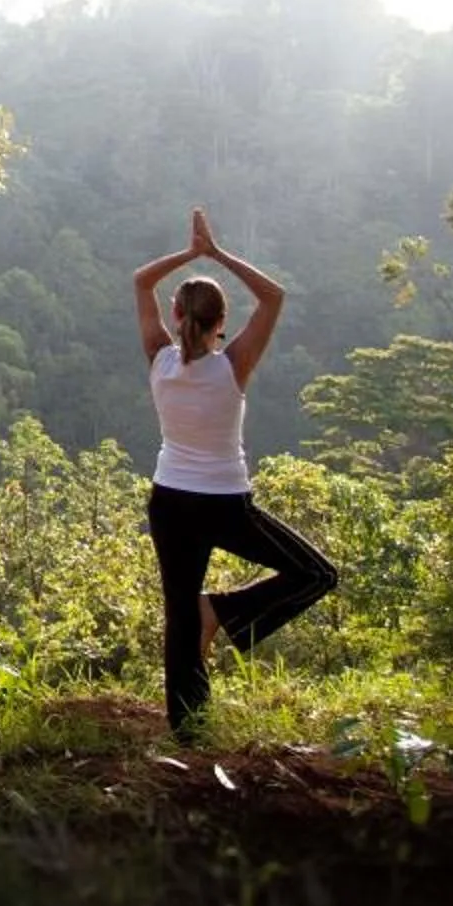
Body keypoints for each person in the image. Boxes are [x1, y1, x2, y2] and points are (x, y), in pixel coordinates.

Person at [131, 207, 336, 736]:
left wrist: (190, 254)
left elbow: (141, 281)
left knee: (180, 615)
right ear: (221, 323)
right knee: (316, 574)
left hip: (170, 501)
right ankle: (219, 615)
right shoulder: (233, 364)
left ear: (177, 314)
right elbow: (273, 297)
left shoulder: (159, 359)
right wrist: (216, 253)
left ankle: (189, 730)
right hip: (224, 505)